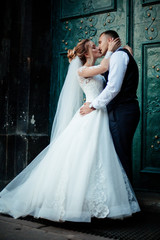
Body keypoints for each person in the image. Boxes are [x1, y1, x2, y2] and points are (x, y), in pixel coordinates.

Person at [0, 38, 140, 223]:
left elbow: (109, 78)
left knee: (98, 156)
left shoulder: (95, 69)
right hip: (90, 115)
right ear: (86, 53)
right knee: (83, 155)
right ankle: (73, 203)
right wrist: (111, 51)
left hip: (99, 114)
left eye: (98, 45)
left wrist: (125, 53)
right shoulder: (82, 70)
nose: (98, 48)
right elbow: (105, 68)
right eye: (93, 46)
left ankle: (93, 201)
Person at [80, 30, 140, 182]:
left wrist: (92, 106)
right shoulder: (117, 56)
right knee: (117, 153)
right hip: (115, 111)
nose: (99, 47)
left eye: (100, 42)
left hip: (122, 111)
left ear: (110, 40)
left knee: (120, 154)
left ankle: (125, 198)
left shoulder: (119, 56)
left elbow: (113, 88)